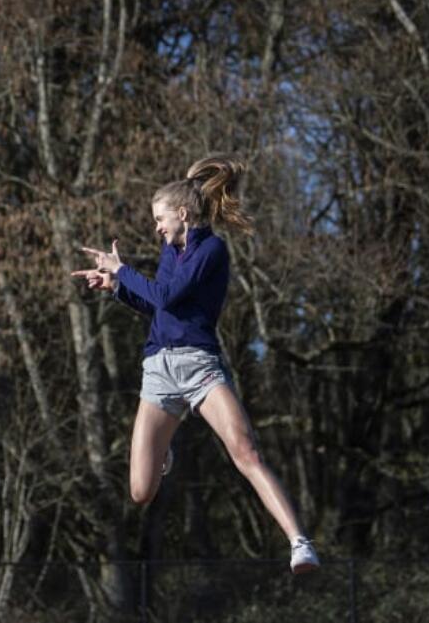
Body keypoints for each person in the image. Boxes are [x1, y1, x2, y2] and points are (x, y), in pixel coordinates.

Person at [71, 155, 320, 574]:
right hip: (159, 372)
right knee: (139, 491)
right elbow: (160, 308)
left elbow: (168, 296)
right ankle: (165, 444)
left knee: (246, 452)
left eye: (159, 219)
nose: (156, 227)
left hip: (200, 367)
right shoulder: (171, 251)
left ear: (183, 214)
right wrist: (116, 286)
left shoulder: (212, 250)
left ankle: (299, 543)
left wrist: (124, 270)